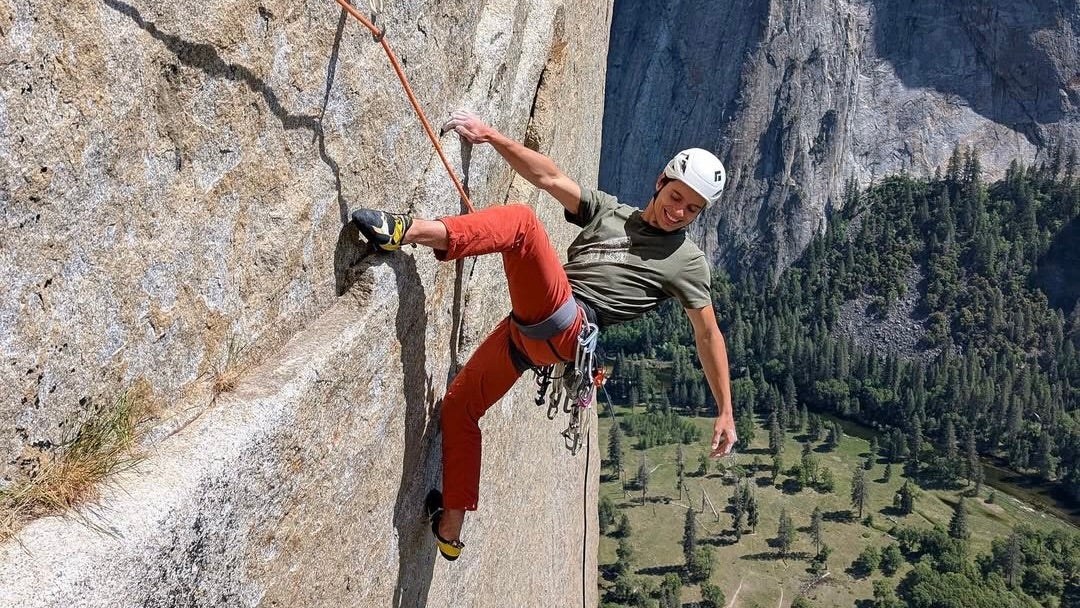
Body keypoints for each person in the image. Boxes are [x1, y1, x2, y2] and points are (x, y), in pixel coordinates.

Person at [351, 110, 736, 561]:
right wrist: (493, 136)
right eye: (676, 197)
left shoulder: (687, 262)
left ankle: (407, 231)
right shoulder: (612, 212)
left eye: (692, 209)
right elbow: (549, 176)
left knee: (522, 225)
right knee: (459, 408)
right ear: (660, 181)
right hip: (533, 332)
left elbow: (708, 334)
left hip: (568, 325)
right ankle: (450, 529)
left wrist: (725, 409)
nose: (679, 212)